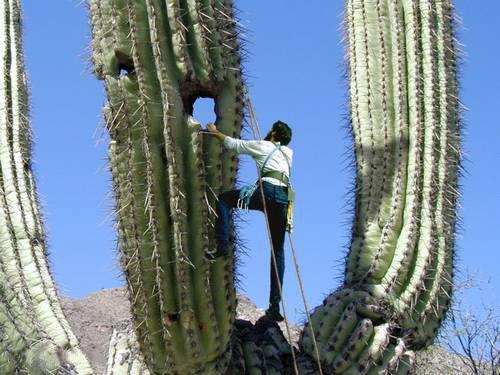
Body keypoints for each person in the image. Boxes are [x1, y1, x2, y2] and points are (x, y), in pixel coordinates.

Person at [205, 120, 293, 322]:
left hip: (265, 195)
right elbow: (266, 150)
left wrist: (215, 131)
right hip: (283, 199)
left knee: (225, 200)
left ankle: (222, 245)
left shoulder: (262, 146)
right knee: (278, 251)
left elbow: (232, 144)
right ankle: (274, 305)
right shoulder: (289, 154)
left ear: (273, 133)